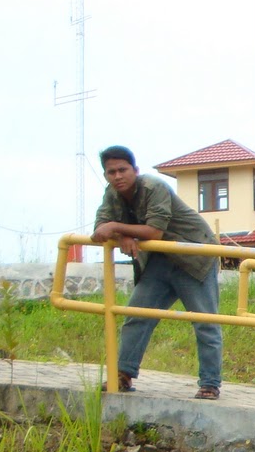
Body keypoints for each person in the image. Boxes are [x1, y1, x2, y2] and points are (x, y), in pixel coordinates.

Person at [92, 145, 224, 399]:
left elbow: (154, 232)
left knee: (205, 321)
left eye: (122, 170)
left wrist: (119, 229)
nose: (117, 176)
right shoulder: (112, 194)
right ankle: (122, 375)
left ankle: (210, 383)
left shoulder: (154, 187)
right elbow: (101, 227)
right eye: (111, 172)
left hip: (194, 256)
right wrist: (123, 234)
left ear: (135, 170)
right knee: (136, 315)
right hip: (160, 261)